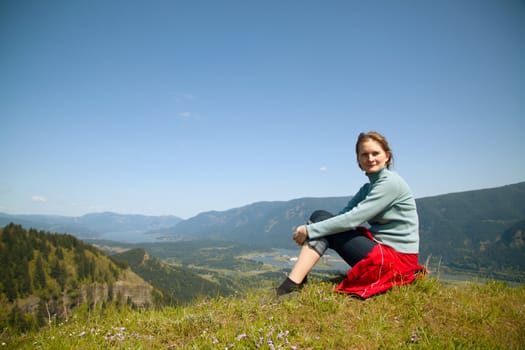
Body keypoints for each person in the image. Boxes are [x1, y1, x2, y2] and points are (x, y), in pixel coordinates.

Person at [276, 131, 425, 298]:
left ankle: (291, 285)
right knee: (321, 216)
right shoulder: (368, 188)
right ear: (359, 161)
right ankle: (295, 282)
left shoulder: (390, 183)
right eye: (364, 154)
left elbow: (353, 219)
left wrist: (309, 230)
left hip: (396, 262)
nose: (370, 159)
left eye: (375, 153)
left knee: (322, 221)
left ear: (387, 157)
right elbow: (342, 216)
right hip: (384, 253)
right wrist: (315, 227)